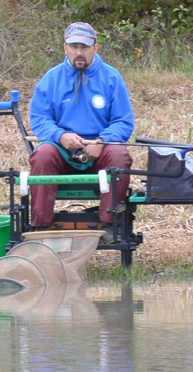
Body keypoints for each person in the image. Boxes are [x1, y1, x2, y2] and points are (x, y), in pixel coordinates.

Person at [28, 22, 134, 243]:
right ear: (64, 48)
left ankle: (109, 225)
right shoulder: (51, 79)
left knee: (119, 155)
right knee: (43, 153)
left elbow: (124, 122)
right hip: (62, 149)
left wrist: (102, 140)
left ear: (95, 48)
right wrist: (60, 136)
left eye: (84, 47)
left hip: (100, 148)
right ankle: (40, 227)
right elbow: (39, 119)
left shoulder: (112, 78)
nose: (79, 52)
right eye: (74, 46)